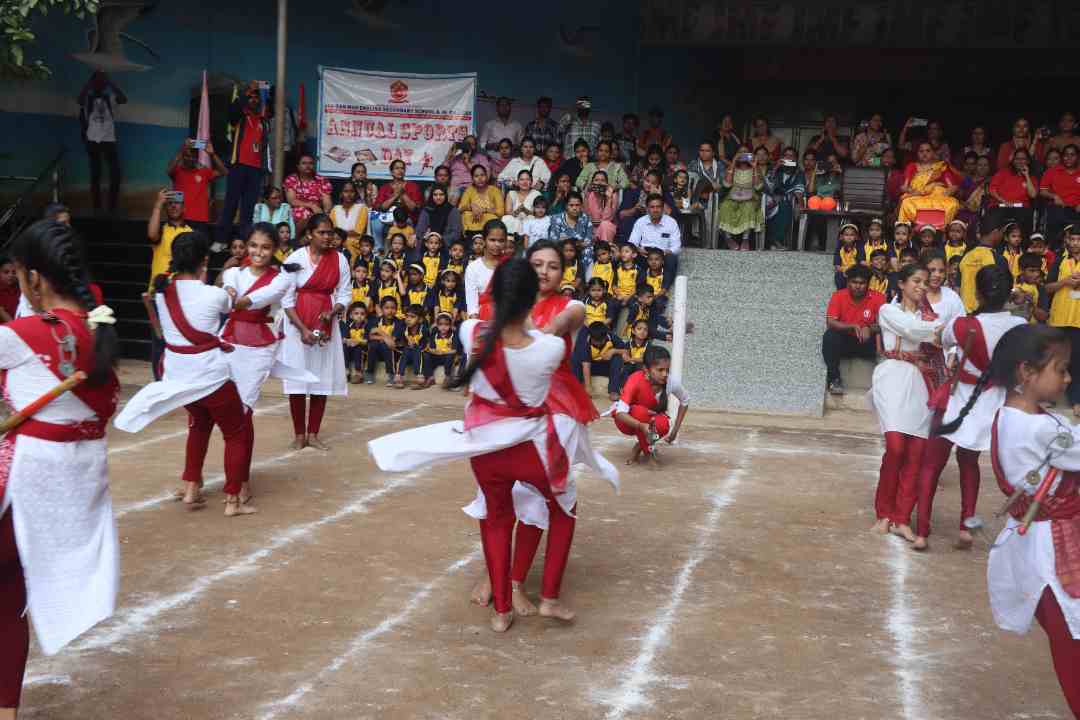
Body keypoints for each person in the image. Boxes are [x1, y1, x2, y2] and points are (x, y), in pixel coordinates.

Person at [369, 257, 615, 631]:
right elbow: (541, 335)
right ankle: (549, 597)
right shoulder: (549, 348)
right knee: (564, 508)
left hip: (485, 453)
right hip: (531, 452)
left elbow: (490, 325)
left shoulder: (471, 331)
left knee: (496, 521)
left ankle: (502, 611)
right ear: (530, 300)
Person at [0, 220, 120, 716]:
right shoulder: (100, 332)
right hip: (69, 489)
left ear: (34, 278)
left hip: (22, 486)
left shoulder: (24, 335)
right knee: (8, 602)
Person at [942, 325, 1080, 715]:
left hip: (1039, 541)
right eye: (1061, 369)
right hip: (1051, 547)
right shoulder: (1034, 427)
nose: (1068, 379)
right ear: (1027, 372)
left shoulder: (1017, 417)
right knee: (1073, 640)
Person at [114, 230, 254, 516]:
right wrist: (228, 286)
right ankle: (232, 501)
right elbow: (231, 302)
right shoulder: (214, 294)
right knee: (236, 432)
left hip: (178, 376)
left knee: (199, 425)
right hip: (210, 376)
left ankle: (191, 487)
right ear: (205, 260)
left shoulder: (162, 292)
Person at [912, 265, 1021, 551]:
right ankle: (965, 528)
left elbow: (941, 340)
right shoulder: (1019, 326)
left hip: (957, 399)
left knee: (931, 465)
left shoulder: (961, 324)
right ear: (1008, 292)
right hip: (989, 403)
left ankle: (921, 532)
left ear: (978, 292)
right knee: (969, 464)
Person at [869, 263, 943, 540]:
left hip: (920, 381)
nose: (922, 286)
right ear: (901, 284)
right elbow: (913, 330)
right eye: (916, 281)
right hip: (892, 377)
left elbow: (942, 340)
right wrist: (941, 328)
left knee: (916, 454)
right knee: (896, 447)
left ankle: (902, 518)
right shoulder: (888, 311)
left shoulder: (930, 316)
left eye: (925, 282)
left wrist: (942, 330)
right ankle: (883, 513)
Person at [277, 214, 351, 449]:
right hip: (296, 324)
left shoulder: (340, 259)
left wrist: (334, 311)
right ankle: (299, 434)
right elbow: (286, 299)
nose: (327, 237)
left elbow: (345, 294)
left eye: (330, 232)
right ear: (309, 234)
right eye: (322, 232)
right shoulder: (294, 259)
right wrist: (302, 329)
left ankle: (314, 433)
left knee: (321, 378)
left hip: (325, 324)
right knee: (297, 379)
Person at [612, 345, 690, 466]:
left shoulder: (670, 382)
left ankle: (639, 446)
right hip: (626, 422)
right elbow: (620, 413)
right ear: (646, 369)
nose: (665, 374)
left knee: (663, 424)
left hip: (648, 421)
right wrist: (640, 425)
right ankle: (649, 453)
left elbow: (685, 400)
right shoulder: (635, 379)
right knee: (641, 413)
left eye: (667, 370)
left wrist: (675, 430)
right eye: (660, 370)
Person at [218, 81, 272, 248]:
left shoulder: (263, 121)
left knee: (248, 208)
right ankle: (221, 240)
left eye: (257, 98)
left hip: (255, 169)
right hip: (238, 165)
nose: (254, 100)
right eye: (251, 97)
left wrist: (264, 90)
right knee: (231, 204)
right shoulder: (239, 118)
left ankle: (243, 242)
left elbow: (271, 106)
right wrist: (248, 91)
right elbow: (233, 109)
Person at [822, 265, 884, 395]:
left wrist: (869, 328)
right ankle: (834, 379)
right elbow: (830, 322)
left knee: (887, 336)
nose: (858, 286)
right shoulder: (838, 296)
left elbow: (883, 325)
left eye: (862, 283)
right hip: (845, 342)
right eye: (854, 282)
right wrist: (851, 326)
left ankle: (883, 381)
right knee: (830, 336)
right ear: (848, 282)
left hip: (867, 343)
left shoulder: (878, 298)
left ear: (868, 284)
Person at [78, 70, 126, 213]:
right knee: (95, 175)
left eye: (102, 81)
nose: (100, 83)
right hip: (92, 139)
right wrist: (89, 83)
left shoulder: (110, 97)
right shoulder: (88, 98)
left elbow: (123, 99)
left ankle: (112, 205)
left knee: (115, 174)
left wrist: (110, 82)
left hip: (109, 139)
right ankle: (97, 206)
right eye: (97, 81)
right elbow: (79, 100)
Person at [897, 141, 961, 226]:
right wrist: (919, 191)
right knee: (906, 203)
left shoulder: (940, 167)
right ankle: (907, 230)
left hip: (938, 198)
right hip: (917, 197)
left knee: (953, 204)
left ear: (933, 153)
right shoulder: (912, 166)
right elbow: (904, 187)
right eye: (921, 151)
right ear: (917, 153)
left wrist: (946, 193)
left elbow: (953, 187)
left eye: (928, 151)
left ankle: (940, 229)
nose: (924, 153)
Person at [168, 138, 227, 229]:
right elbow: (169, 170)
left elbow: (224, 171)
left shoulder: (203, 171)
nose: (190, 159)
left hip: (200, 219)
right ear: (183, 156)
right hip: (181, 218)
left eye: (193, 157)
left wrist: (212, 154)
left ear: (197, 158)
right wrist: (181, 150)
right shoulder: (177, 171)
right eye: (187, 156)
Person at [716, 147, 764, 250]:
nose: (743, 154)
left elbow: (758, 187)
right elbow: (727, 184)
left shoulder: (756, 168)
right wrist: (733, 162)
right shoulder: (731, 168)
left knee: (749, 207)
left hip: (749, 198)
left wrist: (754, 167)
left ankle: (745, 239)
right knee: (725, 206)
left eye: (746, 152)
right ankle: (728, 238)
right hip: (732, 197)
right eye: (740, 152)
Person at [629, 193, 681, 279]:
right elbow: (632, 242)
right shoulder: (640, 222)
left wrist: (668, 252)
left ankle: (664, 286)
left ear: (663, 208)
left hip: (663, 255)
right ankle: (638, 283)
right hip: (645, 255)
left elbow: (677, 246)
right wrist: (638, 249)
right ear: (647, 209)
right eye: (652, 207)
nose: (655, 210)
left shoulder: (671, 223)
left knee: (671, 259)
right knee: (630, 255)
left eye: (658, 207)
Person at [958, 227, 1010, 313]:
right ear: (995, 232)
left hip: (965, 313)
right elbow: (1004, 290)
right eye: (1001, 233)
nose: (1002, 236)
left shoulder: (965, 256)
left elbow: (957, 287)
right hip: (988, 314)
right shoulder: (999, 259)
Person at [464, 220, 508, 318]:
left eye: (501, 241)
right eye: (492, 240)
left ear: (505, 242)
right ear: (484, 240)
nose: (497, 244)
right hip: (483, 319)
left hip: (508, 319)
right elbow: (472, 306)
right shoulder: (473, 268)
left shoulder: (511, 265)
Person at [764, 147, 805, 251]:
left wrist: (801, 205)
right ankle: (773, 241)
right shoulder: (775, 170)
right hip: (771, 199)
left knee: (785, 205)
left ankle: (775, 241)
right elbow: (767, 186)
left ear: (796, 159)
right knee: (775, 205)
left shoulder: (799, 173)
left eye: (791, 156)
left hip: (788, 201)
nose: (788, 158)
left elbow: (799, 190)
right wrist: (776, 168)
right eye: (786, 155)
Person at [988, 148, 1038, 232]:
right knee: (993, 217)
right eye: (1017, 159)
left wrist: (1026, 175)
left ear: (1028, 161)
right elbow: (992, 190)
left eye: (1023, 159)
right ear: (1013, 161)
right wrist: (1004, 201)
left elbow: (1033, 195)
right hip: (1001, 205)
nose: (1020, 161)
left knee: (1025, 217)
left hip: (1020, 207)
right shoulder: (1003, 172)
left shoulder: (1031, 178)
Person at [284, 154, 332, 237]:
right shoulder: (292, 179)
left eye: (310, 163)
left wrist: (325, 213)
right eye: (304, 163)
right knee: (303, 213)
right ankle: (296, 238)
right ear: (298, 166)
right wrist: (311, 205)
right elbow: (292, 201)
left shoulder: (321, 180)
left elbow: (327, 202)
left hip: (317, 210)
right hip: (298, 209)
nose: (308, 166)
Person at [687, 140, 725, 246]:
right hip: (697, 196)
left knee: (703, 181)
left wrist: (708, 190)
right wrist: (710, 187)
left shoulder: (719, 165)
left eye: (707, 151)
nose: (704, 153)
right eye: (702, 150)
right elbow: (689, 183)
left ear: (713, 153)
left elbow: (721, 185)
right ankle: (697, 237)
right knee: (700, 181)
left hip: (714, 198)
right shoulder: (694, 164)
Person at [1040, 145, 1080, 241]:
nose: (1069, 158)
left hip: (1077, 211)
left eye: (1072, 155)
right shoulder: (1052, 171)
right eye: (1066, 155)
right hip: (1057, 209)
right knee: (1055, 239)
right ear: (1062, 157)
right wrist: (1054, 196)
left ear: (1078, 157)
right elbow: (1042, 191)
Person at [580, 321, 626, 400]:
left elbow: (626, 350)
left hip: (606, 367)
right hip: (591, 367)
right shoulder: (585, 342)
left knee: (617, 358)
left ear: (605, 336)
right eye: (596, 341)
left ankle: (613, 391)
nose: (598, 343)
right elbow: (586, 365)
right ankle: (579, 387)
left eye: (601, 341)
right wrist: (588, 387)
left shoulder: (611, 336)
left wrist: (613, 351)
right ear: (590, 336)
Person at [546, 191, 595, 265]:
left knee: (589, 251)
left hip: (580, 250)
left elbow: (589, 240)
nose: (574, 208)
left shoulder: (586, 219)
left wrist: (573, 243)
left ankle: (586, 273)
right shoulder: (556, 219)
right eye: (571, 205)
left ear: (581, 206)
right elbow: (553, 240)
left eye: (577, 205)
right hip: (562, 250)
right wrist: (569, 244)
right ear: (566, 206)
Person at [459, 165, 504, 235]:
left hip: (490, 226)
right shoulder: (469, 190)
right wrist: (471, 206)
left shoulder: (495, 190)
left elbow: (500, 212)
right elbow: (460, 208)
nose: (480, 178)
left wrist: (484, 210)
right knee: (466, 214)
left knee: (492, 217)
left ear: (487, 176)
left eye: (482, 175)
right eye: (476, 176)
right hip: (471, 225)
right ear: (472, 179)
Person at [420, 311, 461, 387]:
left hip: (447, 356)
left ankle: (447, 377)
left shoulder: (453, 335)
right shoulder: (435, 334)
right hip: (437, 356)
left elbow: (454, 350)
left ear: (450, 325)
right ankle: (430, 377)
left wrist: (443, 353)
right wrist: (435, 352)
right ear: (437, 325)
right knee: (426, 355)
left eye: (446, 324)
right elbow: (431, 348)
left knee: (450, 356)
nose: (443, 327)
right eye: (440, 324)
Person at [502, 170, 542, 238]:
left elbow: (539, 212)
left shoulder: (536, 194)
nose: (524, 182)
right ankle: (512, 239)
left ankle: (526, 238)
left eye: (527, 179)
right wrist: (518, 211)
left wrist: (526, 210)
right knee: (506, 218)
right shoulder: (511, 193)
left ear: (531, 182)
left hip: (529, 219)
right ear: (517, 182)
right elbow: (508, 212)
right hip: (515, 220)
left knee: (532, 219)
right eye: (522, 179)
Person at [583, 170, 619, 245]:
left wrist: (608, 199)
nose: (599, 183)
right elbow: (586, 215)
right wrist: (586, 197)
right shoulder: (589, 194)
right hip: (591, 227)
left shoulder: (613, 195)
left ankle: (605, 248)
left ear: (607, 183)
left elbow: (608, 218)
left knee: (605, 225)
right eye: (596, 180)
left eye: (602, 180)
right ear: (592, 182)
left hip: (606, 228)